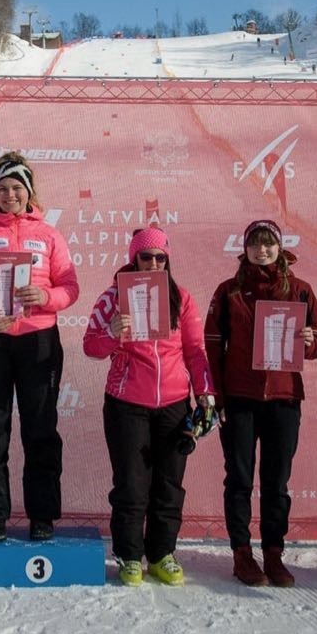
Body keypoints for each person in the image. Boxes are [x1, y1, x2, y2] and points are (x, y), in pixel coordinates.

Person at [0, 152, 79, 543]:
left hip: (38, 340)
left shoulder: (49, 235)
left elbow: (70, 287)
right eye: (3, 189)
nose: (10, 195)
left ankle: (42, 516)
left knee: (41, 429)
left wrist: (45, 296)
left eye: (17, 188)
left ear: (29, 191)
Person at [82, 227, 215, 587]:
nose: (153, 263)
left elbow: (195, 351)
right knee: (131, 484)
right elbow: (91, 347)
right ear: (134, 258)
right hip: (127, 403)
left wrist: (205, 393)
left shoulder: (181, 297)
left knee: (169, 484)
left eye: (160, 257)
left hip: (174, 403)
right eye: (146, 256)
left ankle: (161, 554)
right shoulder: (113, 297)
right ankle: (129, 555)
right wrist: (112, 332)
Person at [204, 220, 317, 588]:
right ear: (245, 249)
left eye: (268, 244)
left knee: (277, 482)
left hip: (284, 397)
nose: (262, 251)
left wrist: (310, 341)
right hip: (239, 397)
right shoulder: (229, 291)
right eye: (255, 244)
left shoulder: (300, 290)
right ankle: (242, 553)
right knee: (239, 479)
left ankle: (273, 553)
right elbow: (213, 346)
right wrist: (218, 397)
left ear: (279, 247)